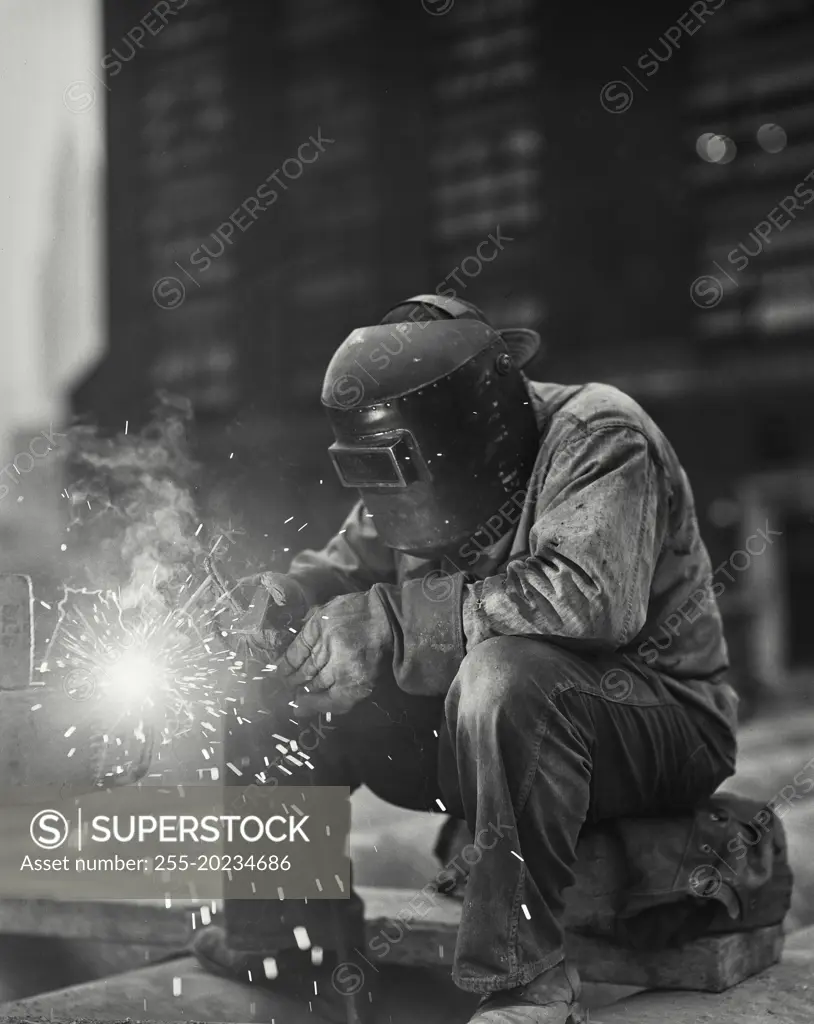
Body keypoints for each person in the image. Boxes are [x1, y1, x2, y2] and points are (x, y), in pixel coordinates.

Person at [194, 294, 739, 1024]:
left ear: (476, 429)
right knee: (275, 677)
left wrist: (392, 623)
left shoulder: (599, 433)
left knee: (504, 674)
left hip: (654, 724)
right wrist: (287, 599)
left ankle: (527, 982)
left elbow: (587, 597)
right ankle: (289, 945)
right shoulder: (405, 465)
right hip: (485, 733)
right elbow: (345, 567)